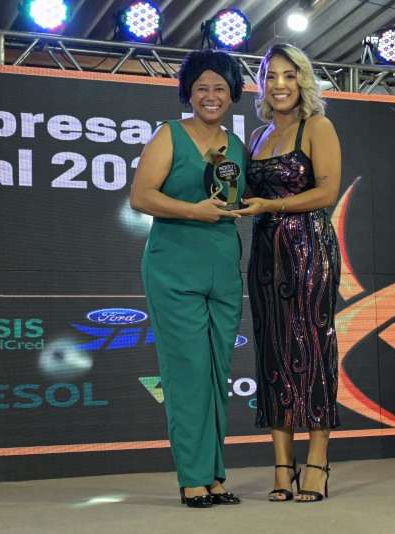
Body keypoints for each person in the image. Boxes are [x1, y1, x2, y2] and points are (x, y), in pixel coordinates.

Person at [129, 48, 246, 509]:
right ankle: (193, 478)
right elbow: (141, 197)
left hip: (224, 270)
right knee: (188, 374)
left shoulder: (238, 146)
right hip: (174, 267)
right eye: (201, 88)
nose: (210, 96)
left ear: (232, 94)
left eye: (219, 87)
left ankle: (215, 476)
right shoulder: (169, 135)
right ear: (188, 93)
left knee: (217, 374)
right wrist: (194, 211)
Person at [236, 43, 342, 503]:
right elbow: (243, 193)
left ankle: (317, 461)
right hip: (265, 254)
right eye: (271, 76)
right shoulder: (256, 137)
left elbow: (326, 193)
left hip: (310, 249)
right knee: (272, 353)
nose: (280, 84)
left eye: (289, 75)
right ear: (261, 84)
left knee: (314, 348)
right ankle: (283, 465)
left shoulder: (317, 126)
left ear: (302, 80)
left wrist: (271, 205)